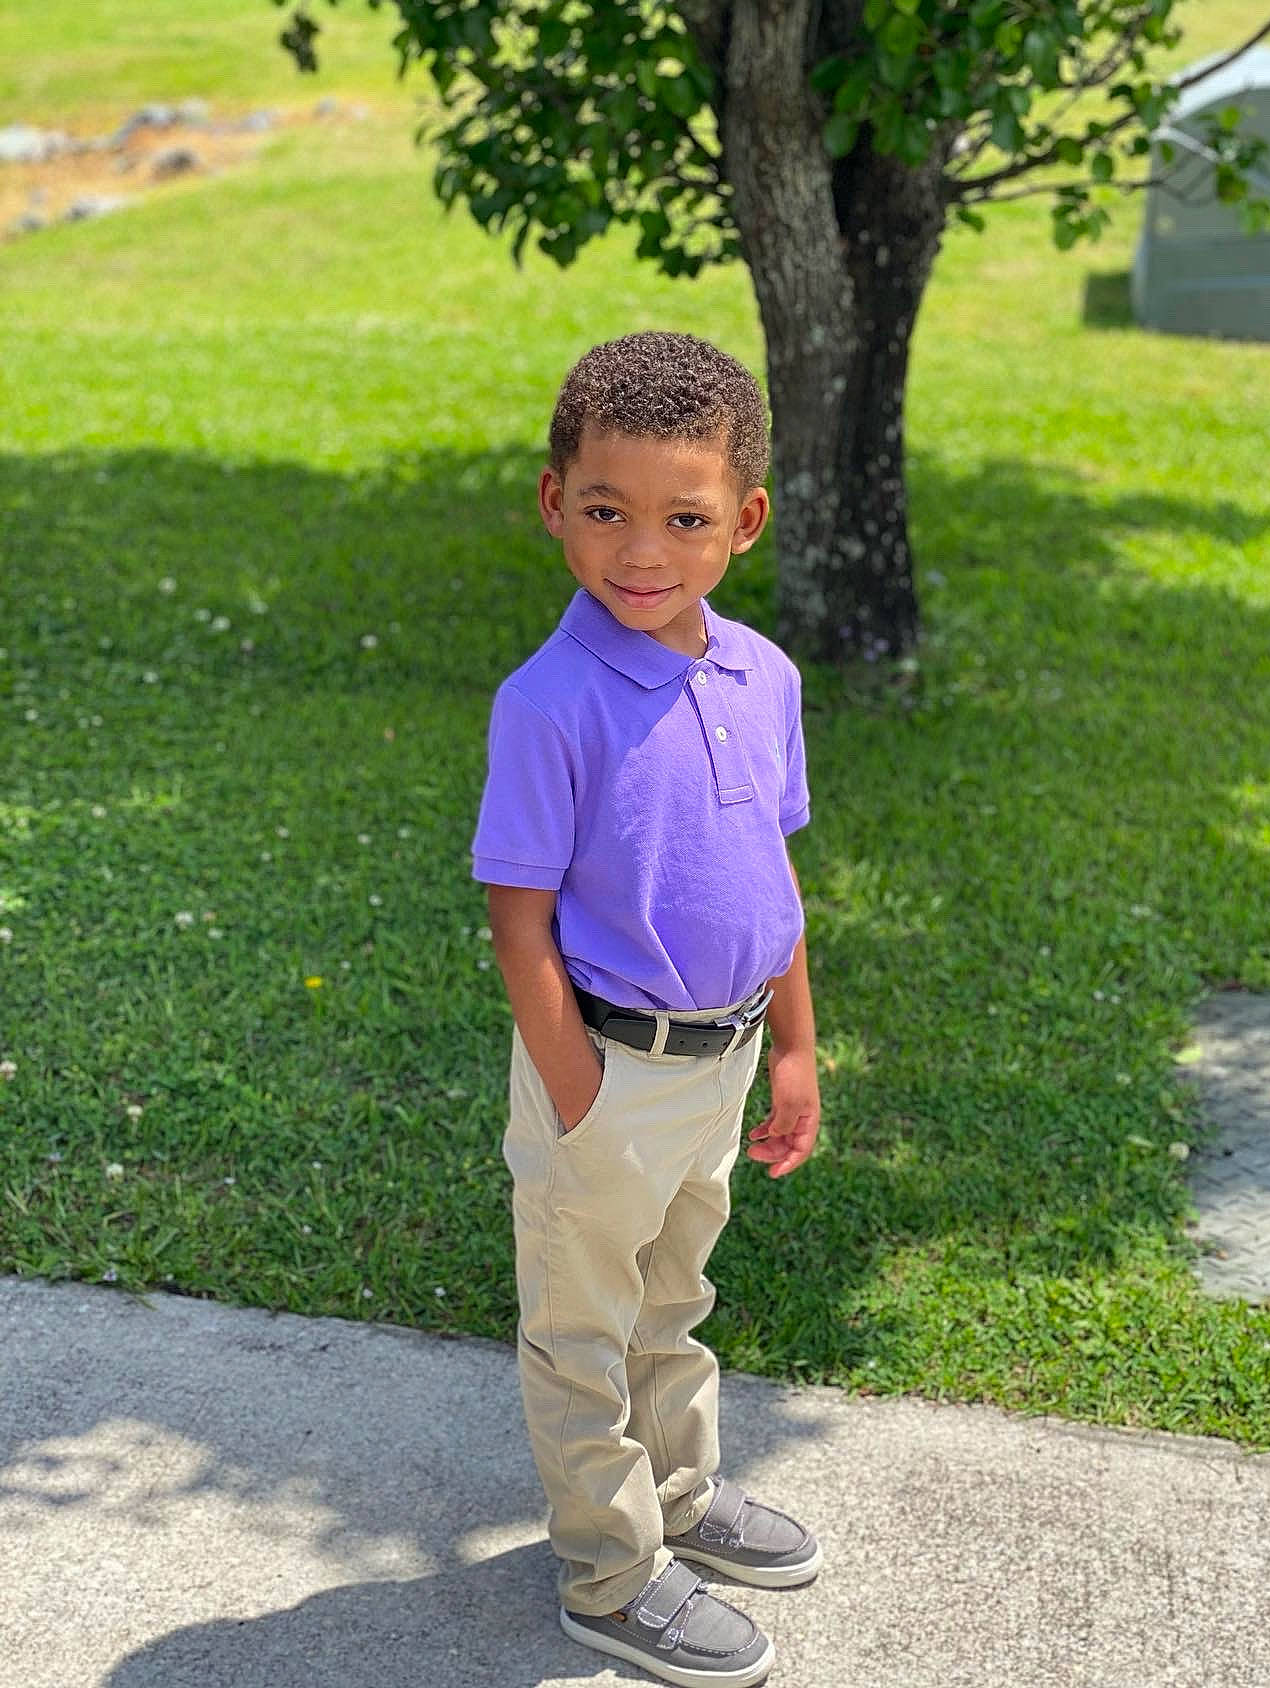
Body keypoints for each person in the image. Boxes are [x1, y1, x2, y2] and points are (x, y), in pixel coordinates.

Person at [471, 330, 822, 1687]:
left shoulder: (765, 677)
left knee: (674, 1299)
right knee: (580, 1331)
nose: (640, 551)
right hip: (607, 1076)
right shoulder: (548, 703)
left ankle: (677, 1501)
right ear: (556, 501)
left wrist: (792, 1047)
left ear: (743, 522)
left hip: (722, 1062)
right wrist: (576, 1092)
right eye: (606, 511)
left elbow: (770, 871)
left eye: (683, 518)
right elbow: (520, 915)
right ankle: (612, 1575)